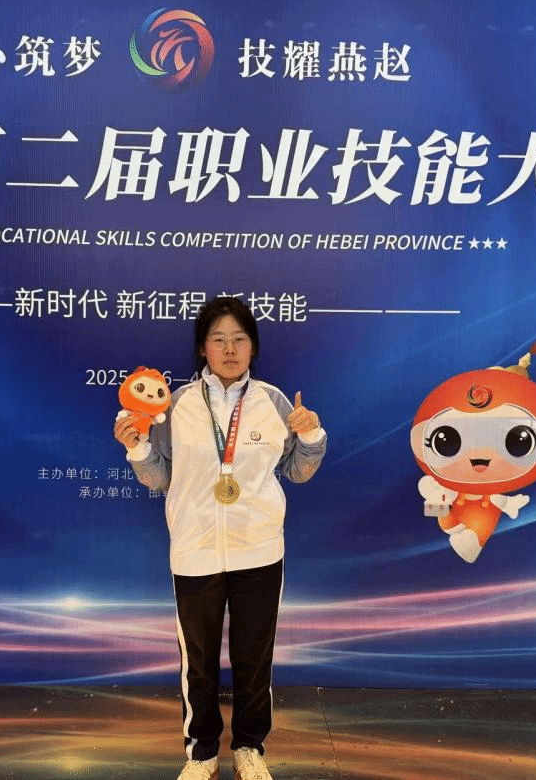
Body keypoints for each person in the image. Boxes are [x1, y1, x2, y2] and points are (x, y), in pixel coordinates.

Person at [114, 296, 327, 780]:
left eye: (239, 339)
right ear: (202, 349)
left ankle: (249, 747)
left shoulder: (274, 402)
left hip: (259, 549)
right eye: (219, 340)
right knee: (199, 662)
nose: (230, 349)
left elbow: (298, 471)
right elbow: (160, 477)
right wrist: (137, 447)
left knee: (255, 658)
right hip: (195, 550)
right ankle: (202, 752)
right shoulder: (178, 405)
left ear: (253, 347)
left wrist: (311, 434)